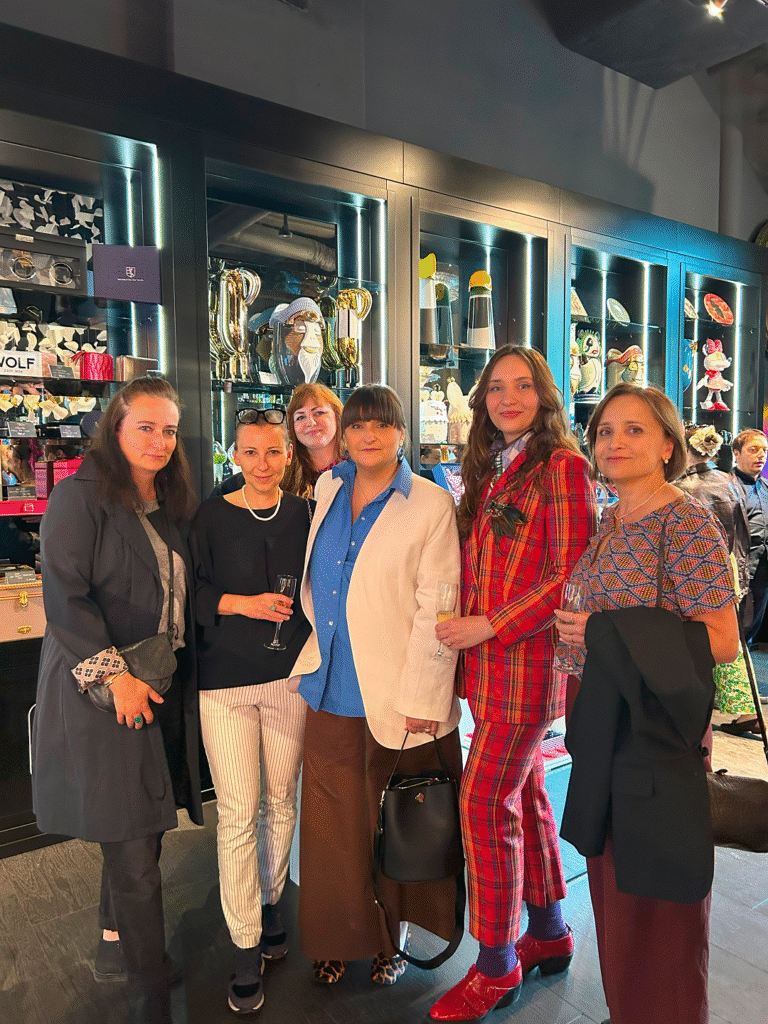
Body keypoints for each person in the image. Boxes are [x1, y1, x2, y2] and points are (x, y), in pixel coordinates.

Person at [555, 384, 739, 1024]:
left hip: (655, 732)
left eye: (634, 429)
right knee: (615, 890)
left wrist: (602, 632)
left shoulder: (686, 522)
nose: (615, 442)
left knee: (659, 900)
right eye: (605, 430)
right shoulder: (611, 518)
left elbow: (721, 640)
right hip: (605, 724)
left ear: (668, 444)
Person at [430, 345, 597, 1022]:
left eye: (522, 386)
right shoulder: (494, 465)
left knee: (482, 805)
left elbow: (571, 573)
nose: (507, 398)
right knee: (524, 795)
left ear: (544, 395)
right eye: (496, 387)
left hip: (525, 667)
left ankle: (496, 966)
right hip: (488, 669)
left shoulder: (563, 466)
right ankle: (549, 931)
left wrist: (488, 625)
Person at [32, 376, 203, 1024]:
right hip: (104, 693)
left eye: (168, 430)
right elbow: (65, 601)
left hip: (157, 686)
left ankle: (114, 946)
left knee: (138, 828)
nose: (159, 441)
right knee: (134, 852)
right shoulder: (79, 497)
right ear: (116, 428)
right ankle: (149, 996)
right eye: (145, 427)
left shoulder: (167, 499)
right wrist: (115, 679)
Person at [291, 383, 463, 987]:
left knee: (391, 822)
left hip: (397, 691)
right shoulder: (328, 489)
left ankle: (392, 938)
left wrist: (424, 697)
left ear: (401, 434)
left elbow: (438, 607)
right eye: (358, 425)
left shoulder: (430, 504)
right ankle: (336, 938)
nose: (368, 436)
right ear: (345, 435)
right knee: (330, 826)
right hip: (329, 683)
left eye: (382, 425)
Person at [189, 407, 313, 1014]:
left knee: (281, 800)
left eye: (273, 451)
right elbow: (192, 594)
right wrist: (244, 604)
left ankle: (270, 903)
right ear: (234, 455)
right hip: (225, 684)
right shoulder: (211, 515)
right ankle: (244, 945)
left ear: (288, 455)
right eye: (250, 452)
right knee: (238, 813)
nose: (262, 464)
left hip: (289, 680)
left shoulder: (307, 515)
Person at [677, 424, 756, 732]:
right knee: (728, 640)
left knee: (698, 644)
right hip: (730, 567)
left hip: (696, 574)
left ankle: (701, 712)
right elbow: (744, 532)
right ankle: (743, 708)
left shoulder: (683, 489)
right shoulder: (728, 482)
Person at [216, 382, 344, 499]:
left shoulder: (354, 468)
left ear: (338, 416)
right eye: (300, 417)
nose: (310, 422)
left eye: (319, 413)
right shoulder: (280, 469)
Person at [729, 428, 768, 648]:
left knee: (753, 626)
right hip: (739, 569)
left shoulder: (766, 488)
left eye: (764, 450)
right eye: (753, 450)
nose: (761, 455)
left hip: (763, 570)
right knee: (736, 628)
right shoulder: (727, 487)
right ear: (736, 453)